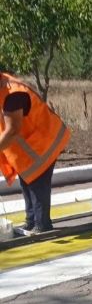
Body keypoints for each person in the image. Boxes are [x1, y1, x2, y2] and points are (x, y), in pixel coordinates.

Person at [0, 72, 70, 234]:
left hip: (44, 143)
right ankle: (32, 221)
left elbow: (12, 130)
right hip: (29, 149)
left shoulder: (12, 94)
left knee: (38, 183)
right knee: (28, 180)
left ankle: (42, 225)